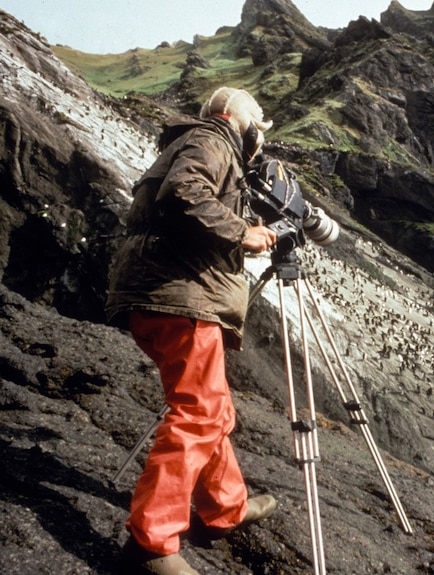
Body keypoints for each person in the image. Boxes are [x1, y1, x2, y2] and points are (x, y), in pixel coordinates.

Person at [106, 87, 279, 575]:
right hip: (181, 296)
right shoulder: (214, 138)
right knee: (198, 414)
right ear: (236, 118)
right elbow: (184, 192)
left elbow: (184, 203)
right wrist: (242, 231)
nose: (259, 138)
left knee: (210, 407)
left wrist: (236, 227)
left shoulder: (192, 141)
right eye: (258, 126)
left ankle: (225, 507)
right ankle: (151, 544)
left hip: (163, 293)